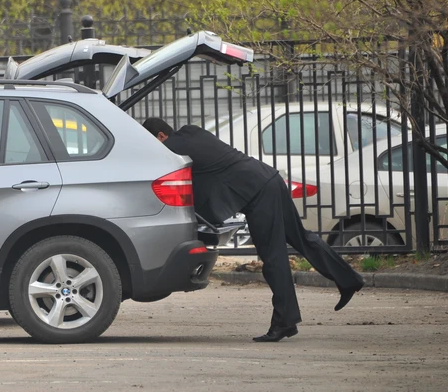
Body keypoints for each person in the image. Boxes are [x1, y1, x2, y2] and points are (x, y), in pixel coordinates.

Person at [142, 117, 365, 342]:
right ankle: (349, 280)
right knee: (302, 238)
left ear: (161, 136)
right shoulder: (192, 131)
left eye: (154, 143)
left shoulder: (172, 149)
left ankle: (285, 322)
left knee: (273, 257)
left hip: (259, 193)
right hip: (270, 179)